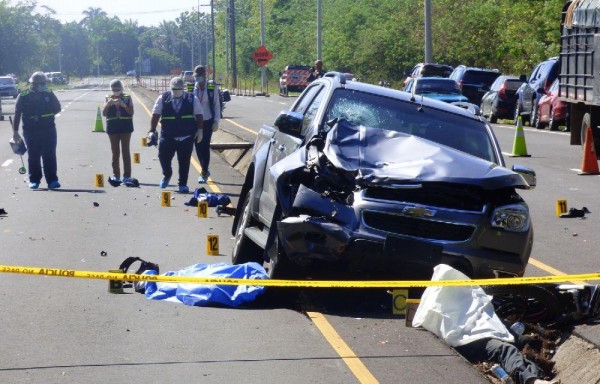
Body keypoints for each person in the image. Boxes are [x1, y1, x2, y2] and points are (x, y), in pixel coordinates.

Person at [413, 264, 561, 384]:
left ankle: (537, 371)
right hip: (471, 341)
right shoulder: (438, 305)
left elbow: (486, 315)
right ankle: (532, 381)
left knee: (524, 342)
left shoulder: (466, 298)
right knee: (505, 350)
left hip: (483, 334)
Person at [148, 77, 203, 193]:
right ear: (170, 88)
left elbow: (199, 114)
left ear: (183, 87)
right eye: (174, 89)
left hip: (186, 136)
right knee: (163, 156)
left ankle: (182, 184)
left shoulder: (192, 98)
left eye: (179, 88)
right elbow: (155, 114)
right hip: (168, 135)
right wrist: (152, 130)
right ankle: (167, 174)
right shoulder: (163, 98)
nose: (176, 90)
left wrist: (200, 130)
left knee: (184, 161)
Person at [12, 71, 62, 190]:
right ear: (33, 84)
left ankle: (52, 180)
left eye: (44, 83)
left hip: (48, 129)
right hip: (31, 131)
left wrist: (45, 116)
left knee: (49, 154)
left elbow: (58, 108)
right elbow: (17, 113)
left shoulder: (49, 94)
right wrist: (15, 131)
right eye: (41, 83)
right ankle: (34, 180)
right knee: (33, 156)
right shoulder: (24, 96)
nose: (44, 85)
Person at [192, 65, 221, 183]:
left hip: (208, 120)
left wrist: (216, 121)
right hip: (195, 121)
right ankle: (204, 169)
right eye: (196, 77)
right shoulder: (192, 88)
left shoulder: (211, 87)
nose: (197, 79)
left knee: (205, 145)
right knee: (198, 146)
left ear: (204, 76)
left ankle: (204, 171)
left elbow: (216, 104)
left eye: (199, 76)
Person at [102, 79, 134, 185]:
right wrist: (108, 104)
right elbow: (104, 113)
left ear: (121, 89)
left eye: (117, 89)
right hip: (113, 128)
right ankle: (116, 176)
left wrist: (124, 105)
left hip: (125, 127)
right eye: (114, 89)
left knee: (125, 151)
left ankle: (127, 176)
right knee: (115, 153)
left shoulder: (127, 98)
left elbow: (131, 112)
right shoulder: (108, 98)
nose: (116, 91)